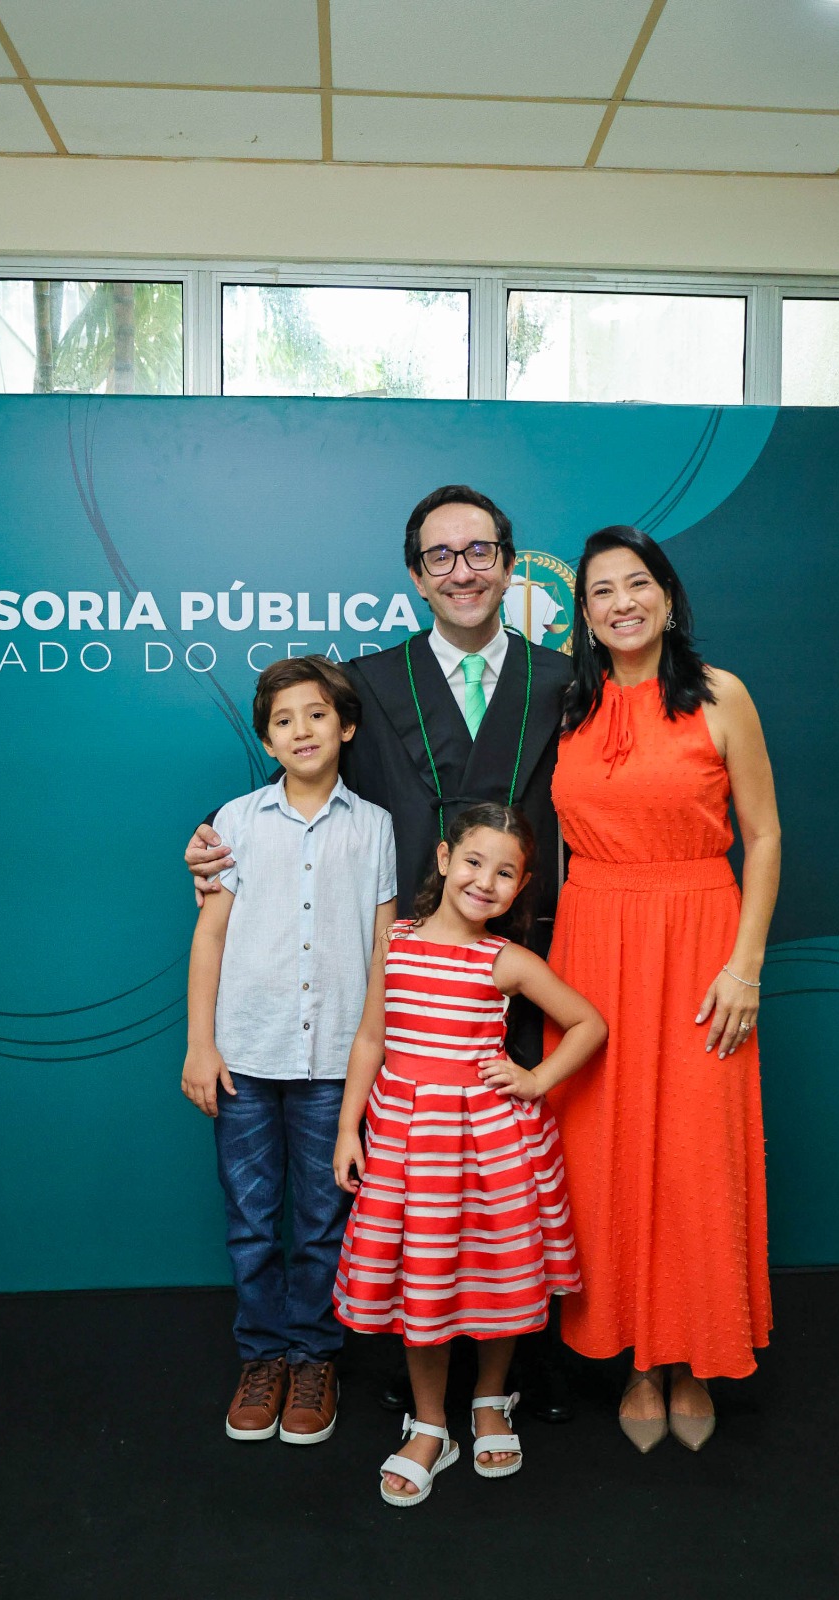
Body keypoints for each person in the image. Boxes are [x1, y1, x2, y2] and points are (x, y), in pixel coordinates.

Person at [184, 485, 576, 1419]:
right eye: (441, 556)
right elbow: (299, 794)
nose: (462, 570)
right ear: (415, 576)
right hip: (402, 975)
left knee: (505, 1177)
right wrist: (211, 847)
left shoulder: (567, 680)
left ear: (509, 564)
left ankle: (505, 1370)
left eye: (479, 551)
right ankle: (406, 1362)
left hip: (522, 958)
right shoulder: (367, 679)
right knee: (408, 1179)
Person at [544, 526, 780, 1453]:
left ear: (669, 597)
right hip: (594, 944)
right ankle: (636, 1358)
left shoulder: (722, 695)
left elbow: (763, 836)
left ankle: (693, 1354)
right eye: (601, 591)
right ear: (585, 614)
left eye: (637, 583)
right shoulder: (569, 706)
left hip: (699, 942)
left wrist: (745, 965)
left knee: (694, 1148)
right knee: (603, 1149)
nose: (622, 603)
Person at [331, 804, 606, 1506]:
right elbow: (370, 1038)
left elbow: (588, 1023)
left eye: (505, 872)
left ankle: (489, 1399)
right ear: (445, 858)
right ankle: (430, 1423)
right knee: (420, 1278)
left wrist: (536, 1079)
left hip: (489, 1148)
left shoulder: (505, 960)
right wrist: (348, 1129)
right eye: (475, 862)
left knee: (496, 1270)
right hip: (407, 1145)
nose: (486, 881)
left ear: (522, 887)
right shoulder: (395, 941)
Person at [181, 656, 396, 1446]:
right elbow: (209, 936)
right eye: (282, 721)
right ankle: (262, 1356)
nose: (301, 730)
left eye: (316, 714)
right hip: (244, 1056)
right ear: (267, 741)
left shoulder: (376, 828)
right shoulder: (236, 823)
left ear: (346, 726)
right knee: (250, 1219)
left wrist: (371, 1057)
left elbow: (383, 951)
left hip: (332, 1063)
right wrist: (200, 1045)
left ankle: (313, 1358)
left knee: (320, 1222)